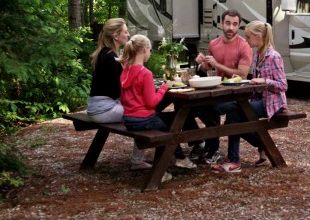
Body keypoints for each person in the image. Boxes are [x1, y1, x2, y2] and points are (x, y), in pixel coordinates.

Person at [212, 21, 288, 173]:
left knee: (234, 114)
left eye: (248, 37)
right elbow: (255, 81)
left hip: (272, 103)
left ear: (258, 36)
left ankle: (234, 161)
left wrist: (264, 81)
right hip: (259, 100)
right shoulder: (258, 54)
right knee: (236, 116)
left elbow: (283, 85)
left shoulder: (274, 56)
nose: (246, 40)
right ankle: (261, 145)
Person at [119, 34, 197, 180]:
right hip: (143, 120)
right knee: (172, 126)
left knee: (173, 120)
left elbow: (124, 99)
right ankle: (160, 171)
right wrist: (164, 87)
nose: (149, 53)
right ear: (143, 50)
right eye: (149, 49)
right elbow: (151, 103)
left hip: (129, 119)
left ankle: (180, 158)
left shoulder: (126, 71)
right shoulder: (145, 73)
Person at [86, 18, 151, 171]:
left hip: (98, 106)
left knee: (139, 112)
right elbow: (117, 90)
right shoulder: (110, 58)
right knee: (142, 115)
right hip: (103, 109)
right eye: (125, 32)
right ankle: (137, 161)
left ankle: (139, 160)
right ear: (116, 36)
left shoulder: (105, 53)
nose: (129, 35)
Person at [192, 9, 253, 164]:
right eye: (227, 23)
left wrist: (217, 64)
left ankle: (213, 149)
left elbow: (242, 73)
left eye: (234, 24)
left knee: (216, 111)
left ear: (239, 26)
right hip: (216, 92)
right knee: (194, 107)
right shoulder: (214, 44)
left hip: (236, 95)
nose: (230, 28)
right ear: (221, 23)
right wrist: (202, 64)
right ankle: (205, 146)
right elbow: (208, 69)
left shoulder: (244, 46)